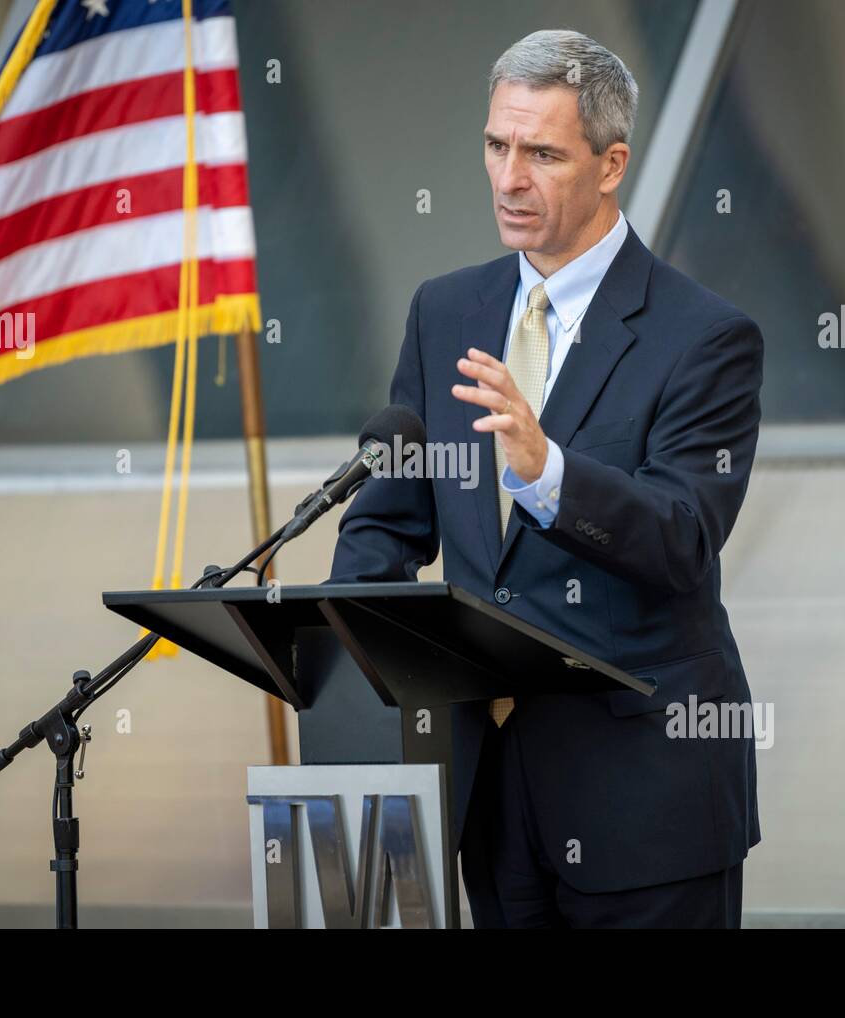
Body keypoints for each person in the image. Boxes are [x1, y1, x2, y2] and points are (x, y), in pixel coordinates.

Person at [328, 29, 764, 928]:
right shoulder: (444, 309)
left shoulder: (707, 337)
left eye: (542, 153)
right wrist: (344, 627)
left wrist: (548, 471)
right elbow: (390, 515)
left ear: (611, 165)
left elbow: (683, 537)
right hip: (486, 797)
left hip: (646, 802)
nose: (508, 178)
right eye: (496, 145)